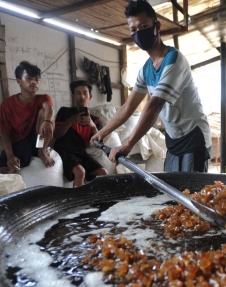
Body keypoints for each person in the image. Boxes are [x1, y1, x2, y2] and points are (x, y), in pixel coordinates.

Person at [91, 0, 212, 172]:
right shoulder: (146, 70)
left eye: (143, 26)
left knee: (190, 193)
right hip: (173, 137)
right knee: (172, 190)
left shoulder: (174, 60)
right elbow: (127, 107)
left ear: (157, 26)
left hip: (193, 136)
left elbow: (154, 106)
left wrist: (128, 144)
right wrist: (102, 133)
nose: (139, 33)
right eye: (133, 30)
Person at [0, 61, 55, 174]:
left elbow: (49, 108)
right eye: (29, 78)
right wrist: (10, 155)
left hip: (38, 141)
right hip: (19, 144)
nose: (34, 82)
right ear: (19, 81)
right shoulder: (7, 104)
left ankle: (41, 152)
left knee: (45, 112)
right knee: (3, 173)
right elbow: (4, 132)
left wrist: (47, 121)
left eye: (37, 79)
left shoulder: (43, 98)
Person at [53, 81, 108, 187]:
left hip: (80, 153)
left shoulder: (96, 120)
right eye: (78, 93)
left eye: (85, 93)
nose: (82, 96)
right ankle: (76, 203)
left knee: (103, 173)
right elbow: (56, 135)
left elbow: (99, 143)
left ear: (90, 96)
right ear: (73, 96)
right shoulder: (64, 112)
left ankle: (97, 201)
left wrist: (92, 126)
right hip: (64, 150)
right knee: (80, 172)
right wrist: (70, 121)